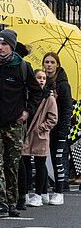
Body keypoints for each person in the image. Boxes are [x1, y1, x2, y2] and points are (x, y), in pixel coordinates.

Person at [0, 29, 41, 218]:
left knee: (12, 165)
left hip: (14, 124)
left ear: (12, 45)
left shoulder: (22, 67)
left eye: (4, 44)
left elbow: (37, 91)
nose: (0, 48)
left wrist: (27, 111)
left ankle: (12, 202)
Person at [22, 69, 58, 207]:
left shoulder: (49, 97)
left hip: (39, 135)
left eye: (43, 78)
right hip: (26, 133)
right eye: (38, 77)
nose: (41, 80)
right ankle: (24, 193)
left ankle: (39, 194)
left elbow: (53, 118)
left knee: (40, 164)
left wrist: (42, 128)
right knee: (25, 164)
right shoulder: (27, 95)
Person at [42, 52, 73, 204]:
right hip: (44, 128)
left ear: (57, 65)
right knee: (41, 160)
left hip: (59, 128)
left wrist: (64, 128)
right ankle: (42, 191)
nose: (49, 65)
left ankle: (59, 191)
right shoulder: (41, 82)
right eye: (46, 62)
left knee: (58, 159)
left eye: (52, 62)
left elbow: (67, 108)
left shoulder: (63, 85)